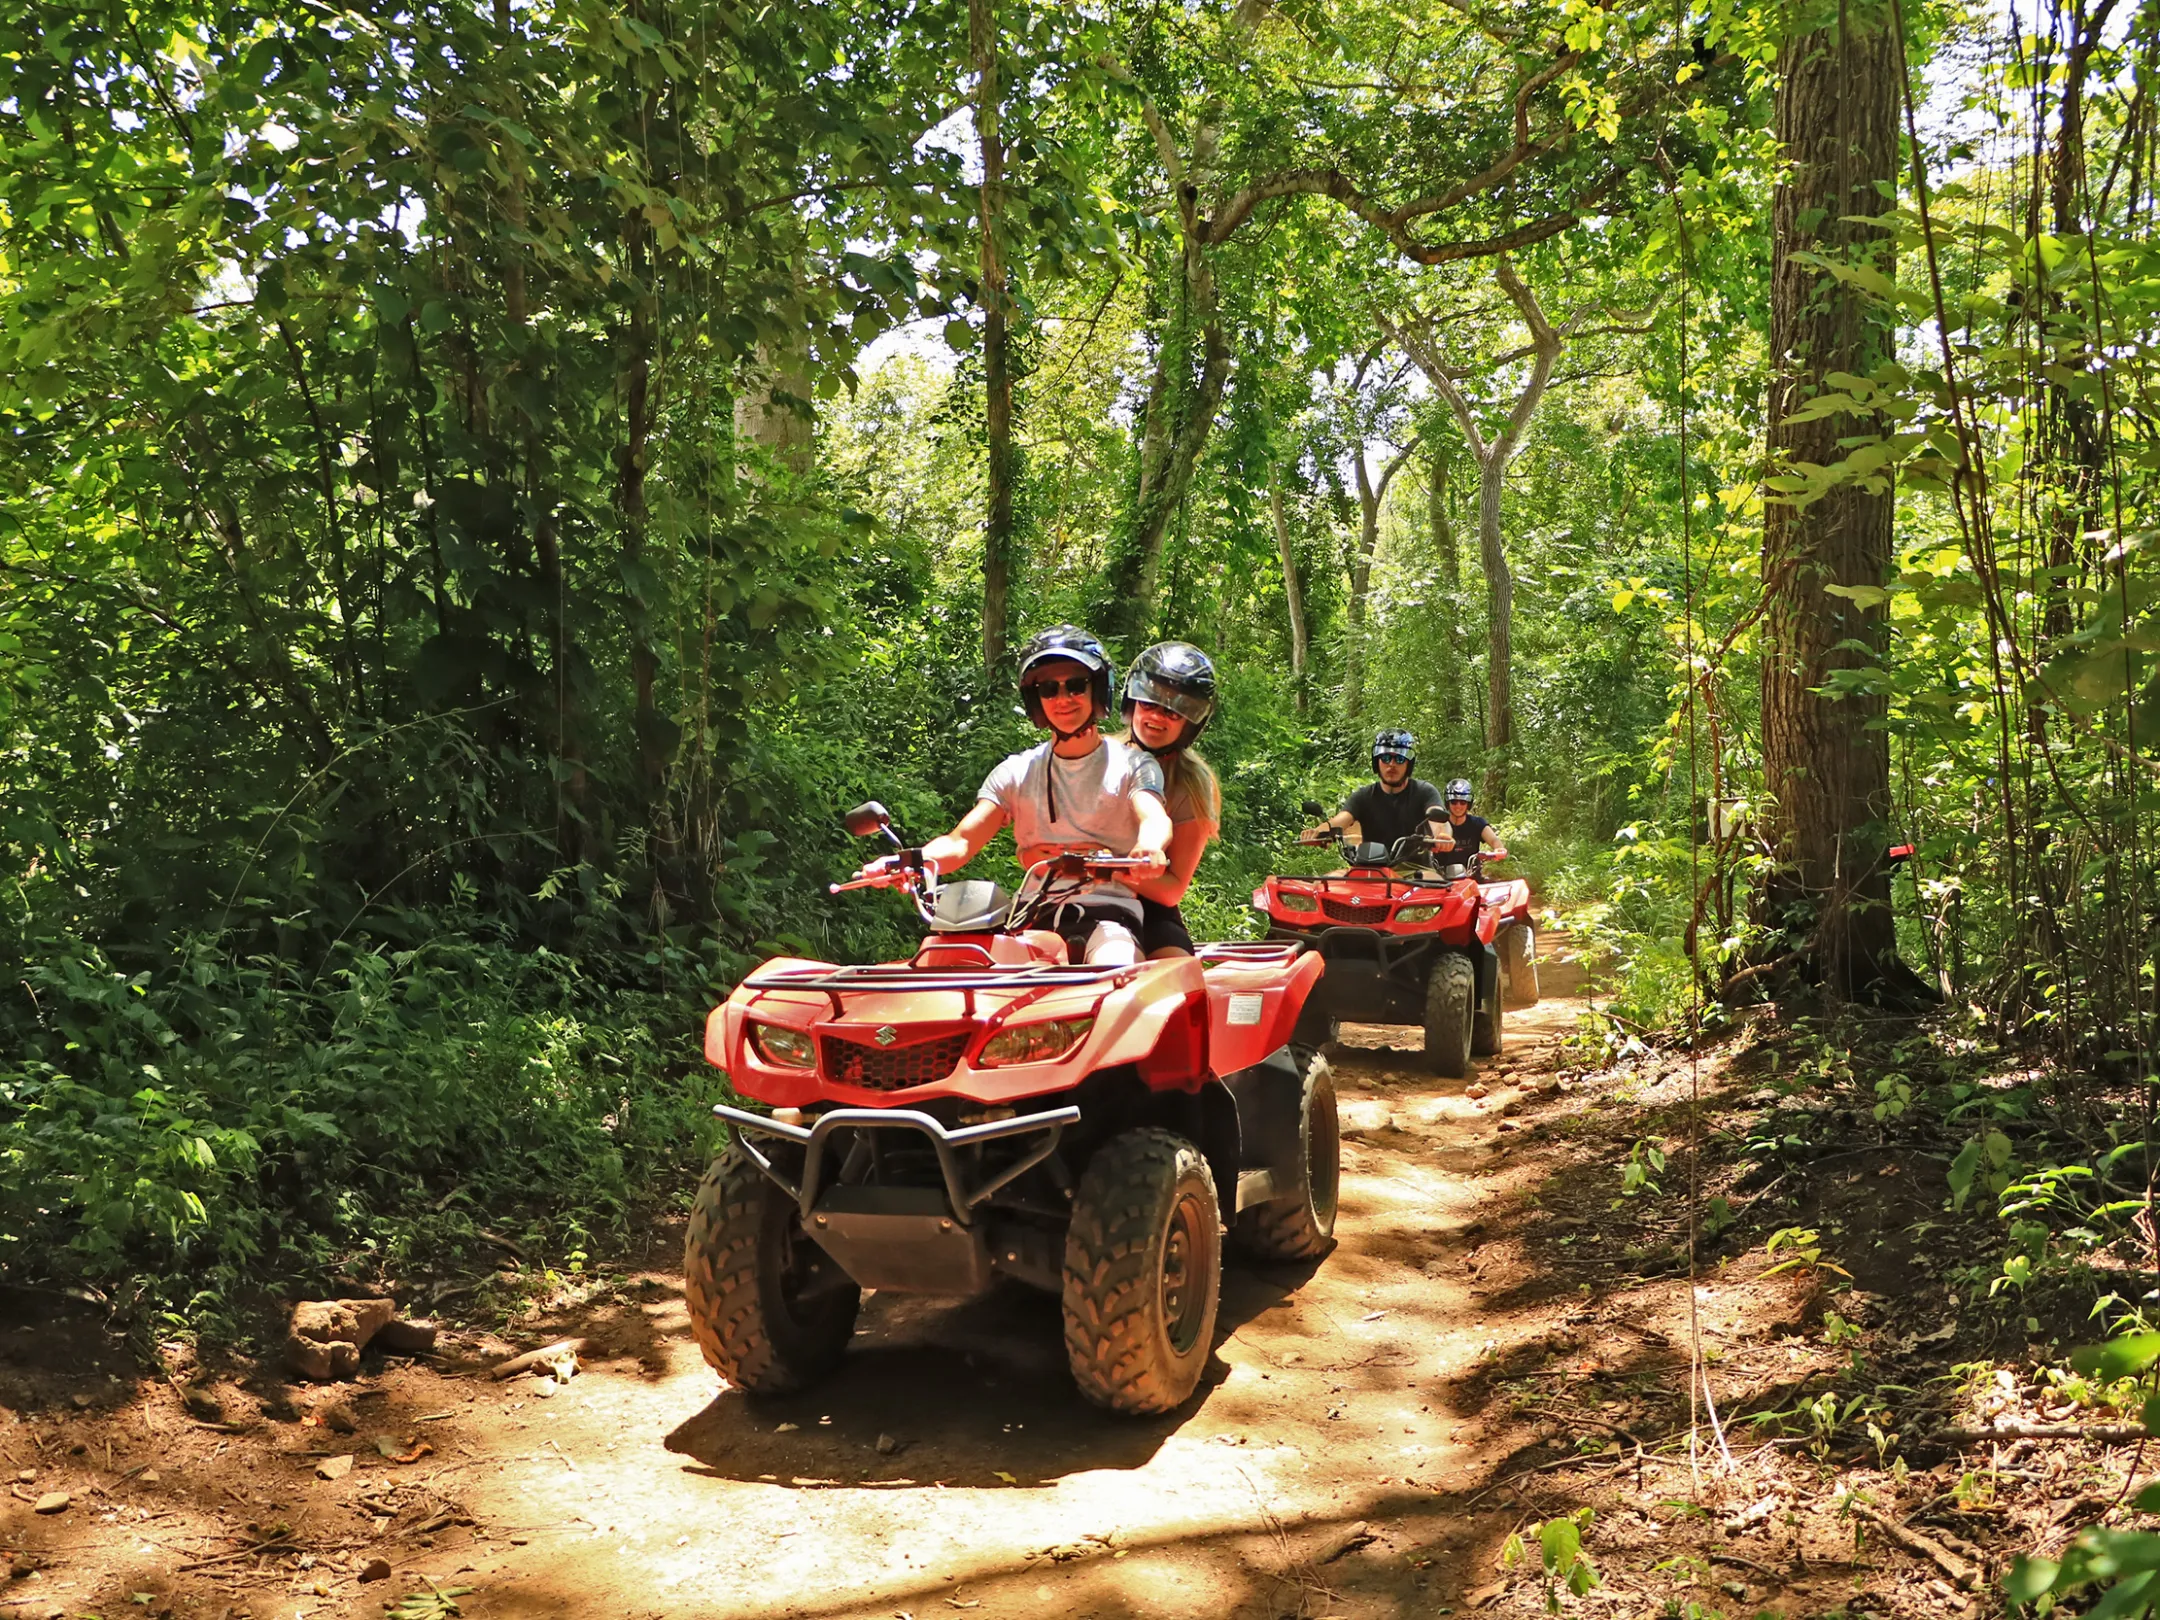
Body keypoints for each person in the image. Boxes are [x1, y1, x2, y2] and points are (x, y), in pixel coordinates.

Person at [858, 625, 1169, 965]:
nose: (1062, 699)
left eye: (1076, 685)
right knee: (963, 976)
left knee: (1116, 973)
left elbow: (1153, 816)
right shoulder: (1017, 771)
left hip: (1108, 917)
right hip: (1032, 918)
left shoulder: (1133, 764)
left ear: (1098, 690)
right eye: (1048, 689)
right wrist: (907, 863)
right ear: (1036, 700)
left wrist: (1149, 846)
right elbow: (962, 841)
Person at [1117, 641, 1222, 958]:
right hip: (1073, 895)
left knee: (1175, 974)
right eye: (1148, 703)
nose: (1157, 717)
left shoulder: (1192, 783)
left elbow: (1172, 889)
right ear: (1132, 702)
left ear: (1190, 723)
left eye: (1172, 711)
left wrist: (1105, 868)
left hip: (1148, 910)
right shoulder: (1098, 757)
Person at [1305, 729, 1447, 856]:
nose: (1391, 764)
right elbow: (1341, 820)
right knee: (1331, 877)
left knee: (1431, 878)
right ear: (1376, 762)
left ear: (1408, 764)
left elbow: (1438, 819)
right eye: (1385, 758)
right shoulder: (1363, 796)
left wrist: (1441, 836)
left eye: (1399, 759)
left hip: (1414, 869)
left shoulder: (1424, 791)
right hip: (1370, 868)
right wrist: (1319, 831)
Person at [1432, 778, 1505, 868]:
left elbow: (1494, 840)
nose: (1458, 806)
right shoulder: (1439, 823)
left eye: (1463, 802)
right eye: (1454, 802)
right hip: (1440, 874)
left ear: (1468, 804)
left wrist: (1499, 849)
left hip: (1471, 873)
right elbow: (1426, 839)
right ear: (1448, 803)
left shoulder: (1477, 823)